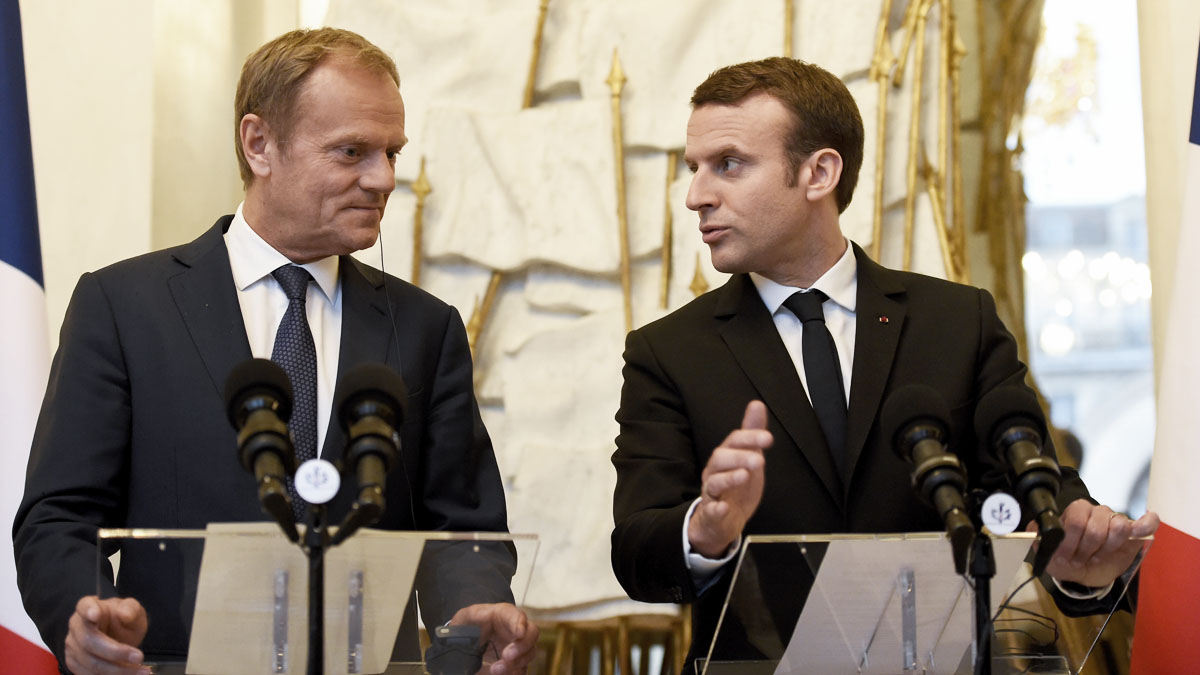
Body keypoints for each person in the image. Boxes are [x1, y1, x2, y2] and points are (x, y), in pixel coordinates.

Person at [13, 28, 536, 675]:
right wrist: (87, 613)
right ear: (259, 143)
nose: (384, 179)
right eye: (352, 151)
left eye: (391, 153)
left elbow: (463, 525)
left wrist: (476, 606)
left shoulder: (425, 327)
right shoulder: (124, 307)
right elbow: (59, 515)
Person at [609, 57, 1157, 670]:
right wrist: (703, 531)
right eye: (695, 169)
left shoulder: (957, 322)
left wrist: (1085, 564)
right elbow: (635, 552)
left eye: (728, 164)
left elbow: (1039, 494)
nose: (696, 196)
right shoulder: (668, 352)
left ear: (819, 172)